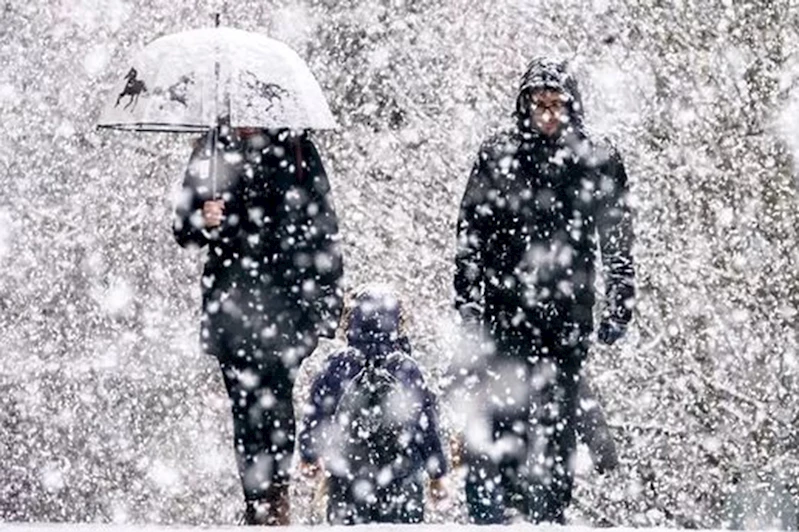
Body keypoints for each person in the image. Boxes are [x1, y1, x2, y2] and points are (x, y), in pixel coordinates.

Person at [452, 57, 635, 524]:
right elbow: (471, 232)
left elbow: (617, 236)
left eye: (557, 105)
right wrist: (468, 299)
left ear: (572, 107)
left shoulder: (596, 158)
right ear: (525, 105)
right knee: (507, 413)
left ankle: (551, 513)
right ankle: (511, 506)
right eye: (540, 104)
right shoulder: (498, 155)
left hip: (568, 311)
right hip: (506, 307)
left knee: (558, 417)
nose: (548, 114)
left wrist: (621, 296)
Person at [173, 126, 343, 525]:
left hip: (286, 308)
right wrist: (202, 218)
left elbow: (324, 229)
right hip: (231, 309)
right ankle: (258, 505)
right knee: (246, 411)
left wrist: (324, 308)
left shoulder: (299, 150)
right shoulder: (212, 149)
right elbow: (184, 230)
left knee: (277, 405)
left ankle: (274, 500)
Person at [298, 285, 448, 524]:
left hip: (347, 477)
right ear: (397, 323)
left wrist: (309, 453)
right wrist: (437, 473)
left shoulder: (337, 364)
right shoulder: (406, 367)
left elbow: (318, 413)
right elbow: (425, 425)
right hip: (402, 480)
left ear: (352, 320)